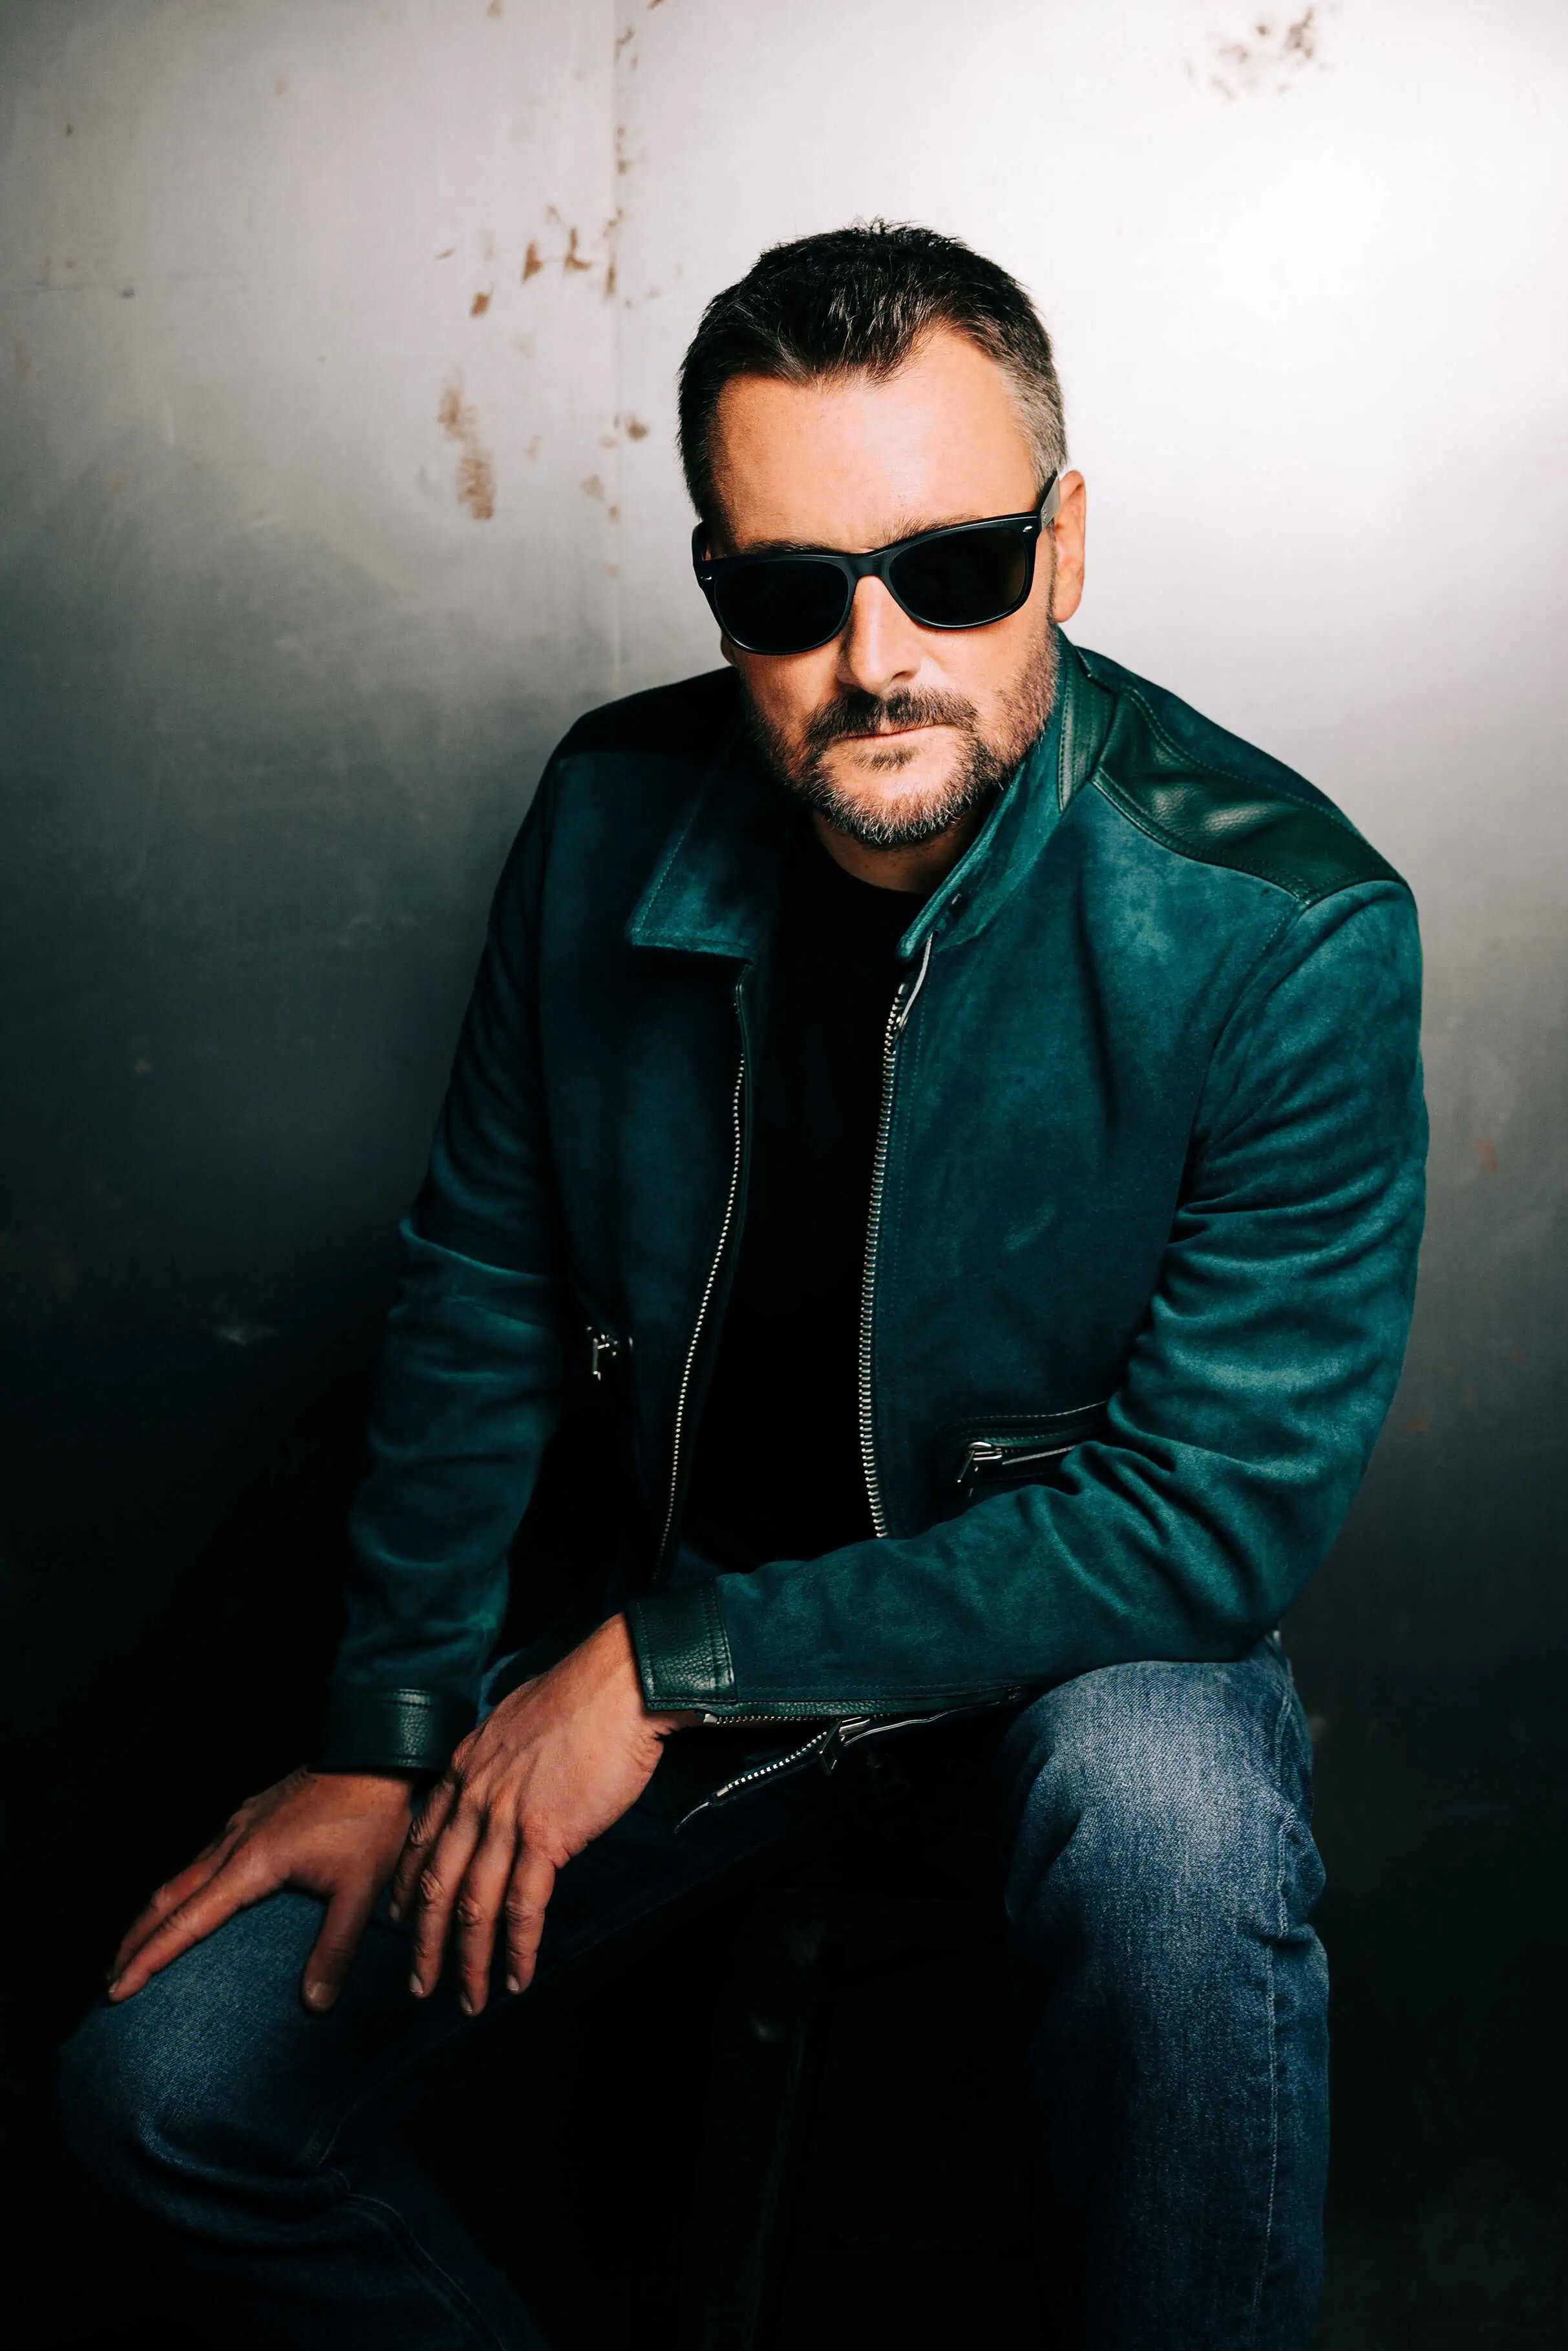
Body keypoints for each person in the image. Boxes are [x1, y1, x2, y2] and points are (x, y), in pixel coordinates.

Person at [59, 222, 1425, 2350]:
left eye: (954, 570)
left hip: (1060, 1666)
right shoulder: (609, 813)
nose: (877, 657)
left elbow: (1205, 1522)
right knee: (168, 2088)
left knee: (1172, 1811)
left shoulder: (1284, 926)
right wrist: (389, 1728)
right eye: (792, 592)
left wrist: (665, 1664)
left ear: (1066, 546)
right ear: (717, 588)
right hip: (678, 1658)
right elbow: (484, 1287)